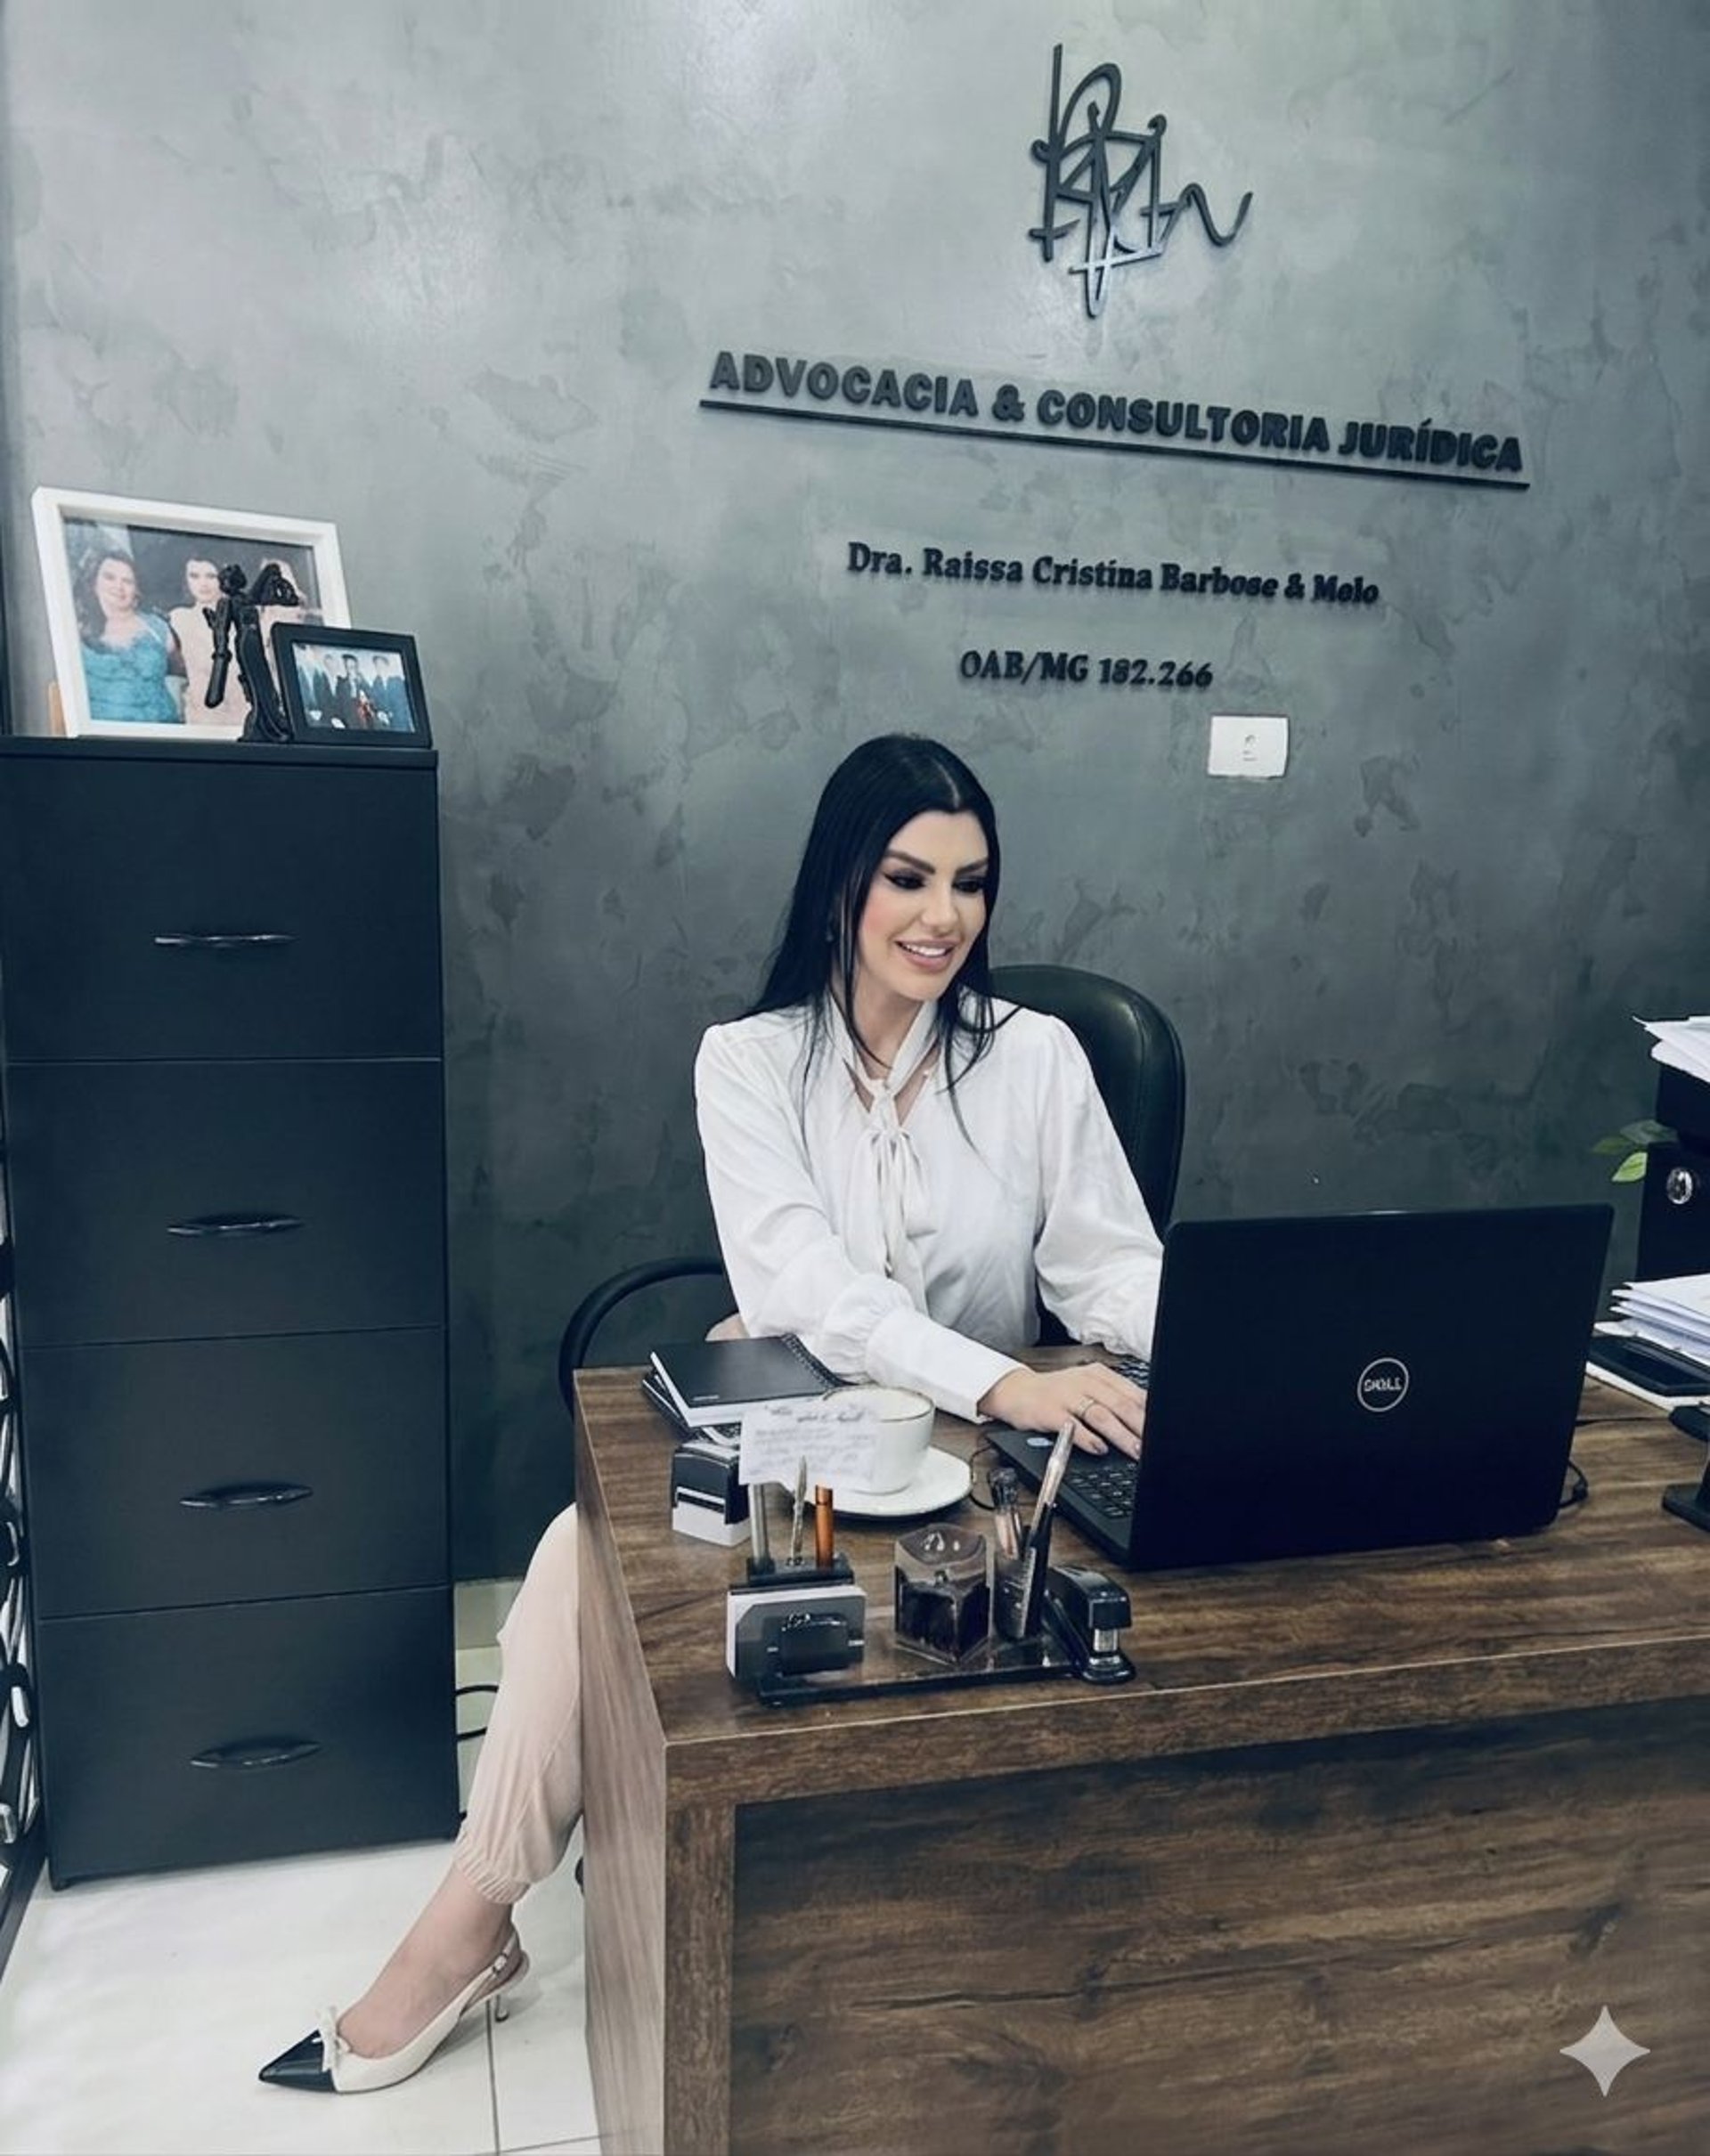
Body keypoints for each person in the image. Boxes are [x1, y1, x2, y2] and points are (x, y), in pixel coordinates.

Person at [259, 732, 1160, 2095]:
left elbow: (1111, 1266)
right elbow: (801, 1283)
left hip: (983, 1468)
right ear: (842, 885)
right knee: (582, 1552)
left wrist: (1228, 1345)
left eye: (972, 885)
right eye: (909, 878)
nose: (944, 918)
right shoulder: (748, 1061)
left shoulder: (1037, 1059)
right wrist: (999, 1374)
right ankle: (475, 1913)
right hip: (818, 1440)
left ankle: (496, 1920)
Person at [73, 547, 183, 724]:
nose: (119, 587)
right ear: (94, 583)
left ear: (136, 590)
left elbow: (185, 673)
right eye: (109, 577)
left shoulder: (157, 627)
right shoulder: (77, 628)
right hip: (103, 740)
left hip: (163, 734)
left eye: (128, 581)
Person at [168, 556, 238, 726]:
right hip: (203, 718)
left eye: (210, 576)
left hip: (242, 713)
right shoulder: (179, 619)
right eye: (194, 576)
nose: (203, 584)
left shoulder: (242, 619)